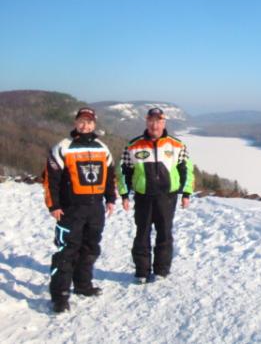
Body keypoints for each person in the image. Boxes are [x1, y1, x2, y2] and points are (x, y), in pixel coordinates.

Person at [43, 107, 116, 313]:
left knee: (90, 248)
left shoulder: (102, 147)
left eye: (90, 122)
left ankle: (83, 285)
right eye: (82, 121)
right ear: (76, 123)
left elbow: (110, 176)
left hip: (95, 209)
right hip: (70, 210)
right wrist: (54, 205)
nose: (86, 125)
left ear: (94, 125)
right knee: (67, 252)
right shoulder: (63, 147)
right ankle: (60, 295)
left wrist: (110, 198)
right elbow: (51, 180)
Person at [117, 107, 194, 283]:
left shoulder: (176, 145)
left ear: (164, 123)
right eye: (151, 120)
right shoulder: (133, 145)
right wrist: (124, 194)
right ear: (146, 122)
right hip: (143, 196)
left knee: (164, 233)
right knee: (142, 233)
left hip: (167, 196)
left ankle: (161, 270)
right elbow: (123, 171)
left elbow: (187, 171)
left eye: (158, 121)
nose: (155, 124)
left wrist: (186, 193)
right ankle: (142, 271)